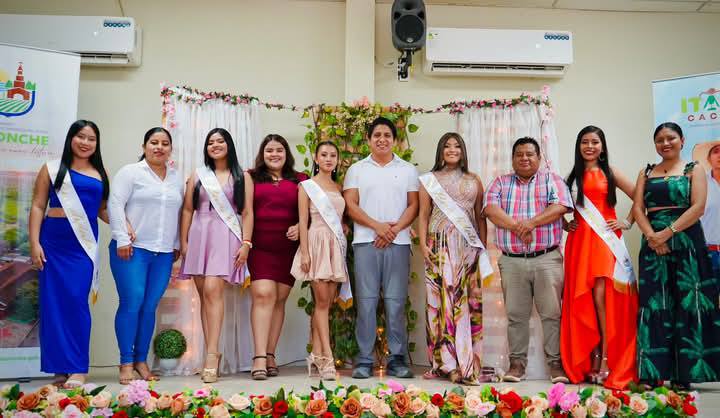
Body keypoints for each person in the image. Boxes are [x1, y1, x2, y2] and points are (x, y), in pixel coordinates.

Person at [633, 122, 720, 390]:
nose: (665, 143)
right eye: (659, 139)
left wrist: (667, 233)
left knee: (687, 304)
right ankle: (651, 374)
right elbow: (637, 209)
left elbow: (698, 208)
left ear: (682, 140)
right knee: (654, 305)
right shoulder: (646, 172)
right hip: (653, 246)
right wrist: (652, 236)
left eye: (670, 138)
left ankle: (684, 375)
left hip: (687, 243)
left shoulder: (695, 170)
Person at [483, 136, 573, 383]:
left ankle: (556, 364)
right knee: (515, 316)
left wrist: (531, 223)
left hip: (547, 259)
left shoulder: (552, 180)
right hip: (511, 261)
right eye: (519, 154)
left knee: (552, 314)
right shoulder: (500, 182)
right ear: (513, 158)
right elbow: (490, 210)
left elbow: (560, 206)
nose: (524, 158)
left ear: (539, 157)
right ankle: (516, 365)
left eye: (529, 154)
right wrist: (518, 227)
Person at [29, 120, 109, 388]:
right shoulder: (52, 169)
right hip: (53, 242)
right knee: (52, 305)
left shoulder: (100, 172)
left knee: (76, 302)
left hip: (82, 246)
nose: (85, 142)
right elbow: (38, 205)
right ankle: (59, 368)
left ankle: (77, 367)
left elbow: (103, 210)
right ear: (71, 138)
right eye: (80, 136)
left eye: (91, 139)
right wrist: (34, 243)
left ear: (96, 144)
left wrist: (125, 226)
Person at [559, 126, 638, 389]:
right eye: (585, 142)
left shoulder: (610, 173)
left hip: (605, 242)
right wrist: (564, 223)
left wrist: (627, 221)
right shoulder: (571, 177)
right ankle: (591, 356)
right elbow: (556, 206)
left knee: (602, 298)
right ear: (579, 146)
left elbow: (641, 195)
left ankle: (606, 357)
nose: (590, 146)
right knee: (584, 300)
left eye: (595, 142)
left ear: (602, 146)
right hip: (580, 243)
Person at [344, 116, 419, 379]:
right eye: (377, 135)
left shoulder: (408, 170)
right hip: (366, 242)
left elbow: (413, 205)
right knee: (366, 302)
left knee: (395, 302)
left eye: (387, 135)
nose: (382, 139)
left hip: (398, 242)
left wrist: (393, 230)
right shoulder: (357, 169)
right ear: (368, 139)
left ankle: (396, 359)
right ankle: (364, 360)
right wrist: (377, 226)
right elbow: (350, 205)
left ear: (395, 140)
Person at [108, 127, 184, 384]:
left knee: (150, 305)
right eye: (154, 142)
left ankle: (141, 361)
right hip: (132, 249)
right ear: (144, 146)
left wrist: (176, 244)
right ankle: (126, 362)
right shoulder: (130, 172)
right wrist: (121, 237)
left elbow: (178, 213)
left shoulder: (176, 178)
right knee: (132, 302)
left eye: (164, 143)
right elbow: (115, 203)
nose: (159, 147)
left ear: (170, 149)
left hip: (163, 252)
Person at [178, 128, 254, 383]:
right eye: (211, 142)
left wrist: (246, 242)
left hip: (226, 236)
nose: (215, 145)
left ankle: (212, 354)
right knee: (204, 296)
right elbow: (187, 210)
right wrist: (184, 241)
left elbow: (247, 213)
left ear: (229, 145)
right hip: (200, 235)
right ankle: (209, 351)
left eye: (220, 141)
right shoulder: (198, 175)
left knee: (213, 289)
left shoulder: (242, 176)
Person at [417, 132, 493, 385]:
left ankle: (468, 362)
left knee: (466, 303)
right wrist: (423, 245)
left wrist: (483, 247)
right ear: (440, 151)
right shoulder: (429, 180)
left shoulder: (474, 179)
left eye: (456, 146)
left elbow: (480, 216)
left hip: (467, 247)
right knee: (442, 303)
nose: (452, 149)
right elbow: (423, 214)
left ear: (462, 151)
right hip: (438, 246)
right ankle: (447, 364)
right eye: (447, 146)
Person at [247, 134, 308, 380]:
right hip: (259, 247)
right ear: (262, 154)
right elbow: (244, 211)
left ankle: (271, 354)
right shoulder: (250, 177)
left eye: (279, 150)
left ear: (286, 153)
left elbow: (311, 212)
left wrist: (300, 227)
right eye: (269, 150)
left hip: (287, 249)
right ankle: (259, 357)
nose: (274, 154)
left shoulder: (301, 179)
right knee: (263, 295)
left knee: (279, 300)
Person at [290, 141, 348, 380]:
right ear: (316, 158)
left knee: (327, 304)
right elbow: (303, 221)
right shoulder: (307, 186)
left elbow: (340, 218)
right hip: (316, 243)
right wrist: (305, 252)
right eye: (324, 155)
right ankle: (327, 359)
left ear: (337, 160)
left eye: (333, 155)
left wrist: (344, 226)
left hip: (335, 245)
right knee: (322, 303)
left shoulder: (339, 187)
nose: (328, 159)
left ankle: (315, 353)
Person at [693, 139, 720, 278]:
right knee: (709, 292)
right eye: (716, 151)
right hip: (708, 253)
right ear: (709, 158)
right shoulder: (700, 183)